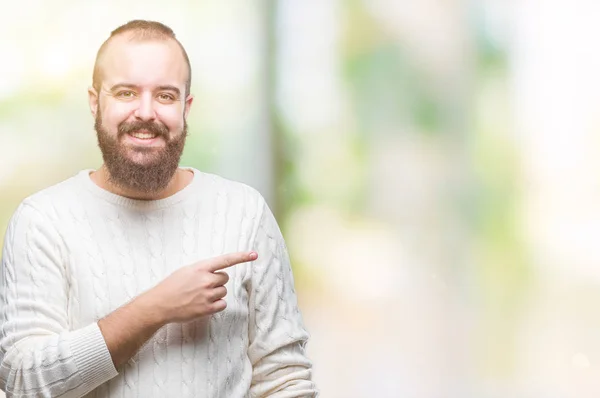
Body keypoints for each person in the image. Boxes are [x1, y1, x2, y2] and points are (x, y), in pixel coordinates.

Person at [0, 20, 317, 398]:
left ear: (186, 107)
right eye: (126, 92)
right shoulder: (43, 220)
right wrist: (155, 308)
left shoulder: (243, 211)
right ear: (94, 101)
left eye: (165, 96)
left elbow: (285, 379)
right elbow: (22, 381)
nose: (146, 112)